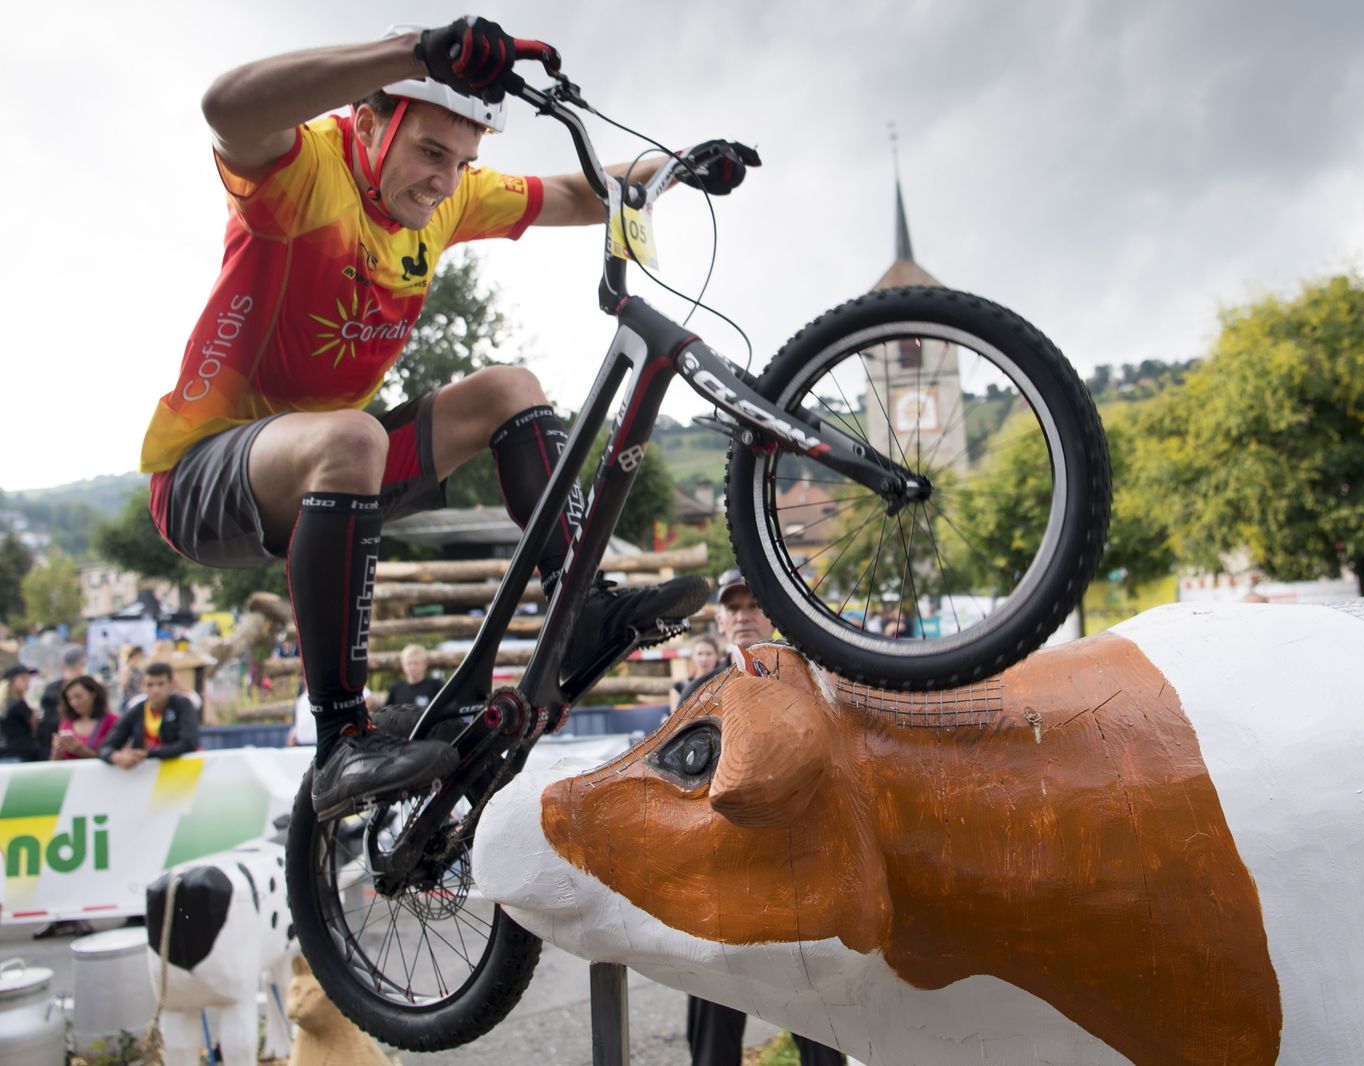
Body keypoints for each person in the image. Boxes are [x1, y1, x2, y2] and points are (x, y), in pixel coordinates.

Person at [136, 18, 755, 817]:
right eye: (430, 152)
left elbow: (578, 192)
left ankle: (581, 606)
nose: (444, 181)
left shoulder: (448, 197)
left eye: (461, 162)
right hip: (203, 476)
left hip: (334, 470)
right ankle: (340, 740)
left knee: (510, 387)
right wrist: (412, 51)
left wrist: (679, 165)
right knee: (352, 434)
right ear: (367, 124)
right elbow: (226, 108)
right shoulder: (303, 171)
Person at [682, 570, 844, 1066]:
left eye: (754, 604)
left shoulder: (806, 678)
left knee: (823, 1039)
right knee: (712, 1041)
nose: (744, 615)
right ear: (719, 619)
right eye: (733, 607)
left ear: (772, 614)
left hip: (797, 883)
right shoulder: (699, 692)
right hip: (724, 890)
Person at [98, 662, 201, 769]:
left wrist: (147, 754)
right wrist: (115, 757)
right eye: (150, 685)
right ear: (142, 686)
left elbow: (189, 743)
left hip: (183, 771)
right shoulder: (137, 710)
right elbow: (106, 746)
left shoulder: (182, 705)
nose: (155, 690)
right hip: (147, 775)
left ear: (170, 684)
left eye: (161, 684)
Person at [50, 676, 119, 761]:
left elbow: (117, 755)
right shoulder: (66, 723)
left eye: (79, 697)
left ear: (93, 694)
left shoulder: (111, 721)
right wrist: (57, 749)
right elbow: (55, 761)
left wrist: (83, 752)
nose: (74, 703)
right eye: (69, 699)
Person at [37, 643, 87, 751]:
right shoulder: (88, 688)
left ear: (62, 665)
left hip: (54, 745)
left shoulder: (51, 689)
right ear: (82, 663)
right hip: (78, 744)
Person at [0, 664, 46, 762]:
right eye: (23, 679)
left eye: (28, 679)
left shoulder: (6, 704)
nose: (27, 682)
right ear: (12, 681)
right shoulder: (18, 704)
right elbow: (34, 728)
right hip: (18, 754)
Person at [669, 636, 722, 711]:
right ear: (693, 657)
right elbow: (675, 716)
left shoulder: (724, 682)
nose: (704, 659)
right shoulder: (679, 686)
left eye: (709, 654)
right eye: (699, 654)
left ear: (717, 656)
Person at [385, 644, 444, 709]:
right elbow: (388, 711)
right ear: (403, 665)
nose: (412, 667)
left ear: (424, 664)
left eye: (416, 663)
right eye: (409, 663)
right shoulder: (396, 688)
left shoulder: (435, 686)